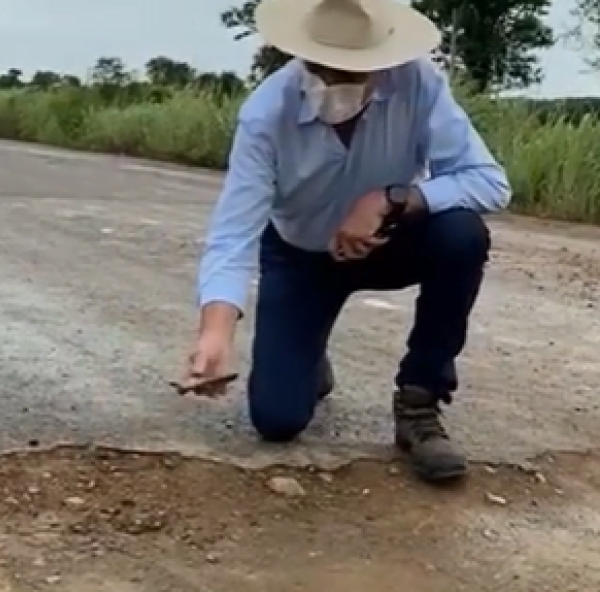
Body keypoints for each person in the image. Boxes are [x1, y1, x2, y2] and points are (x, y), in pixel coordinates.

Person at [179, 0, 511, 483]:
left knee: (461, 235)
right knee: (277, 420)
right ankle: (308, 353)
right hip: (301, 256)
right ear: (299, 57)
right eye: (324, 70)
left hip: (384, 244)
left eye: (353, 73)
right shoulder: (266, 115)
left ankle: (420, 402)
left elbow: (489, 182)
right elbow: (234, 232)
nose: (337, 84)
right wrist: (215, 333)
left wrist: (394, 198)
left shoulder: (417, 83)